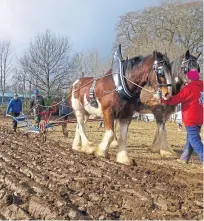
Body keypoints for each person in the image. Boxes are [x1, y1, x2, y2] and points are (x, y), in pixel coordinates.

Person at [162, 69, 203, 164]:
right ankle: (184, 158)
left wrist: (164, 100)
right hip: (200, 117)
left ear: (190, 78)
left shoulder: (189, 88)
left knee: (194, 139)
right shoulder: (202, 86)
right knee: (191, 137)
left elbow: (176, 99)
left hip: (190, 117)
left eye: (187, 78)